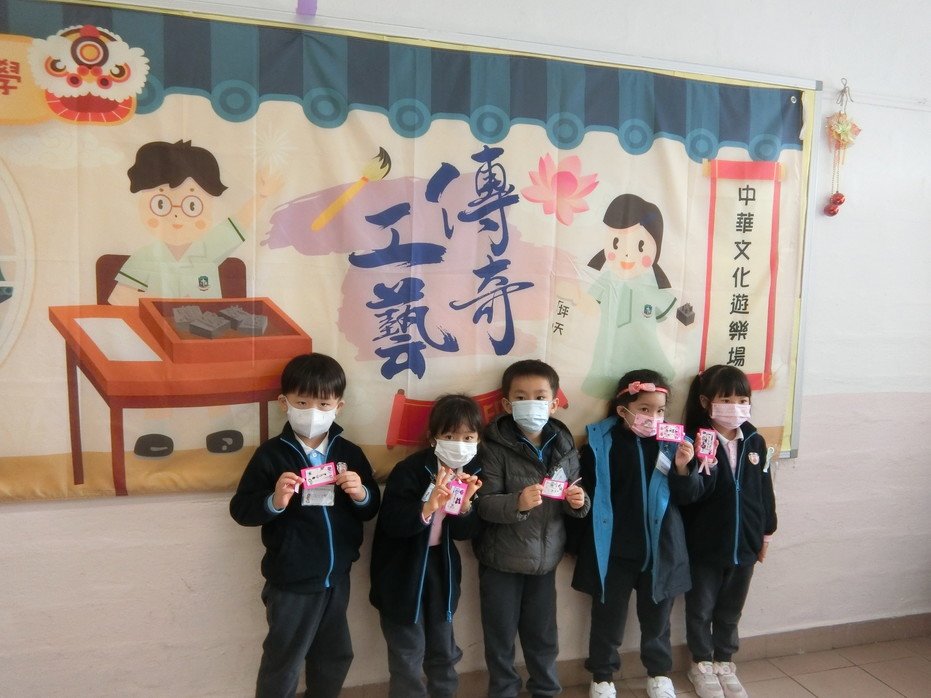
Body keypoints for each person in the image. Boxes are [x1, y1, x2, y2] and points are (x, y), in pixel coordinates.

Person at [229, 353, 380, 698]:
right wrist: (274, 501)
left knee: (335, 655)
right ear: (284, 403)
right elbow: (241, 510)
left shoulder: (349, 453)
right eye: (302, 402)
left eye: (323, 404)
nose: (313, 411)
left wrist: (361, 494)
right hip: (291, 580)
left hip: (336, 577)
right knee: (284, 659)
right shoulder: (271, 454)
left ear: (339, 406)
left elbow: (371, 508)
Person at [571, 370, 702, 698]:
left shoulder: (673, 443)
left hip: (661, 550)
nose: (653, 417)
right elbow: (587, 493)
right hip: (614, 551)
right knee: (607, 618)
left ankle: (658, 674)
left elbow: (688, 497)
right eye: (644, 409)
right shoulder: (601, 443)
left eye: (660, 410)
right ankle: (602, 676)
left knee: (657, 620)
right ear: (622, 409)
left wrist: (684, 468)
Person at [475, 359, 590, 698]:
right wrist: (518, 503)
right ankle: (503, 691)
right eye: (521, 397)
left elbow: (576, 497)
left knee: (543, 636)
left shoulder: (564, 444)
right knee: (500, 637)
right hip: (501, 561)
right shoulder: (493, 446)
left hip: (545, 560)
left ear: (554, 403)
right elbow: (482, 504)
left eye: (540, 397)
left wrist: (579, 502)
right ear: (507, 404)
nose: (532, 404)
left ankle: (546, 690)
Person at [369, 394, 485, 698]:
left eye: (468, 437)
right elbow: (392, 523)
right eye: (450, 436)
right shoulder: (411, 470)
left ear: (478, 440)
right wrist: (427, 507)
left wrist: (465, 507)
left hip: (440, 570)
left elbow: (464, 533)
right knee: (408, 655)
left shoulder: (471, 474)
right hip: (402, 572)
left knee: (444, 650)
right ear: (434, 438)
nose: (459, 444)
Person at [681, 364, 777, 698]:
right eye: (726, 400)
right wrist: (697, 465)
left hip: (745, 544)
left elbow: (764, 492)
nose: (735, 407)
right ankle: (701, 663)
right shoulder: (694, 441)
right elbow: (688, 497)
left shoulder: (755, 441)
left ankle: (724, 661)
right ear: (706, 402)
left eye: (742, 400)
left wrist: (766, 534)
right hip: (704, 546)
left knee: (731, 610)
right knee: (700, 609)